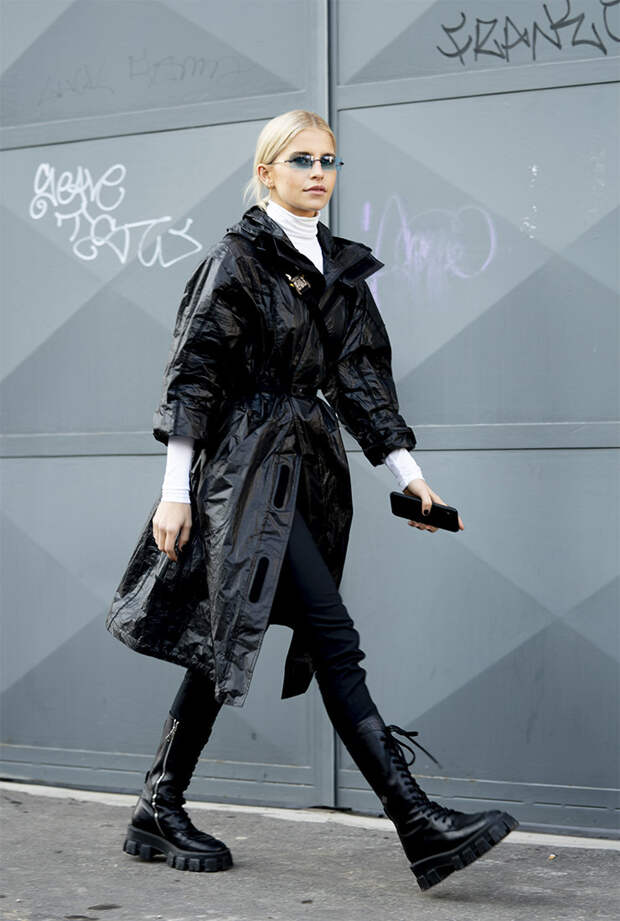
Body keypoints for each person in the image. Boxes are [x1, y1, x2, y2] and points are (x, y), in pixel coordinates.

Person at [106, 109, 518, 891]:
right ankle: (417, 819)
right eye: (301, 160)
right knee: (332, 635)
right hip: (242, 477)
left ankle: (158, 802)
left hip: (308, 473)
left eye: (328, 160)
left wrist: (411, 480)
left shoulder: (338, 268)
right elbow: (193, 375)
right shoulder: (236, 259)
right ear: (266, 172)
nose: (319, 173)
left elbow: (361, 381)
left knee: (227, 634)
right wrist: (174, 493)